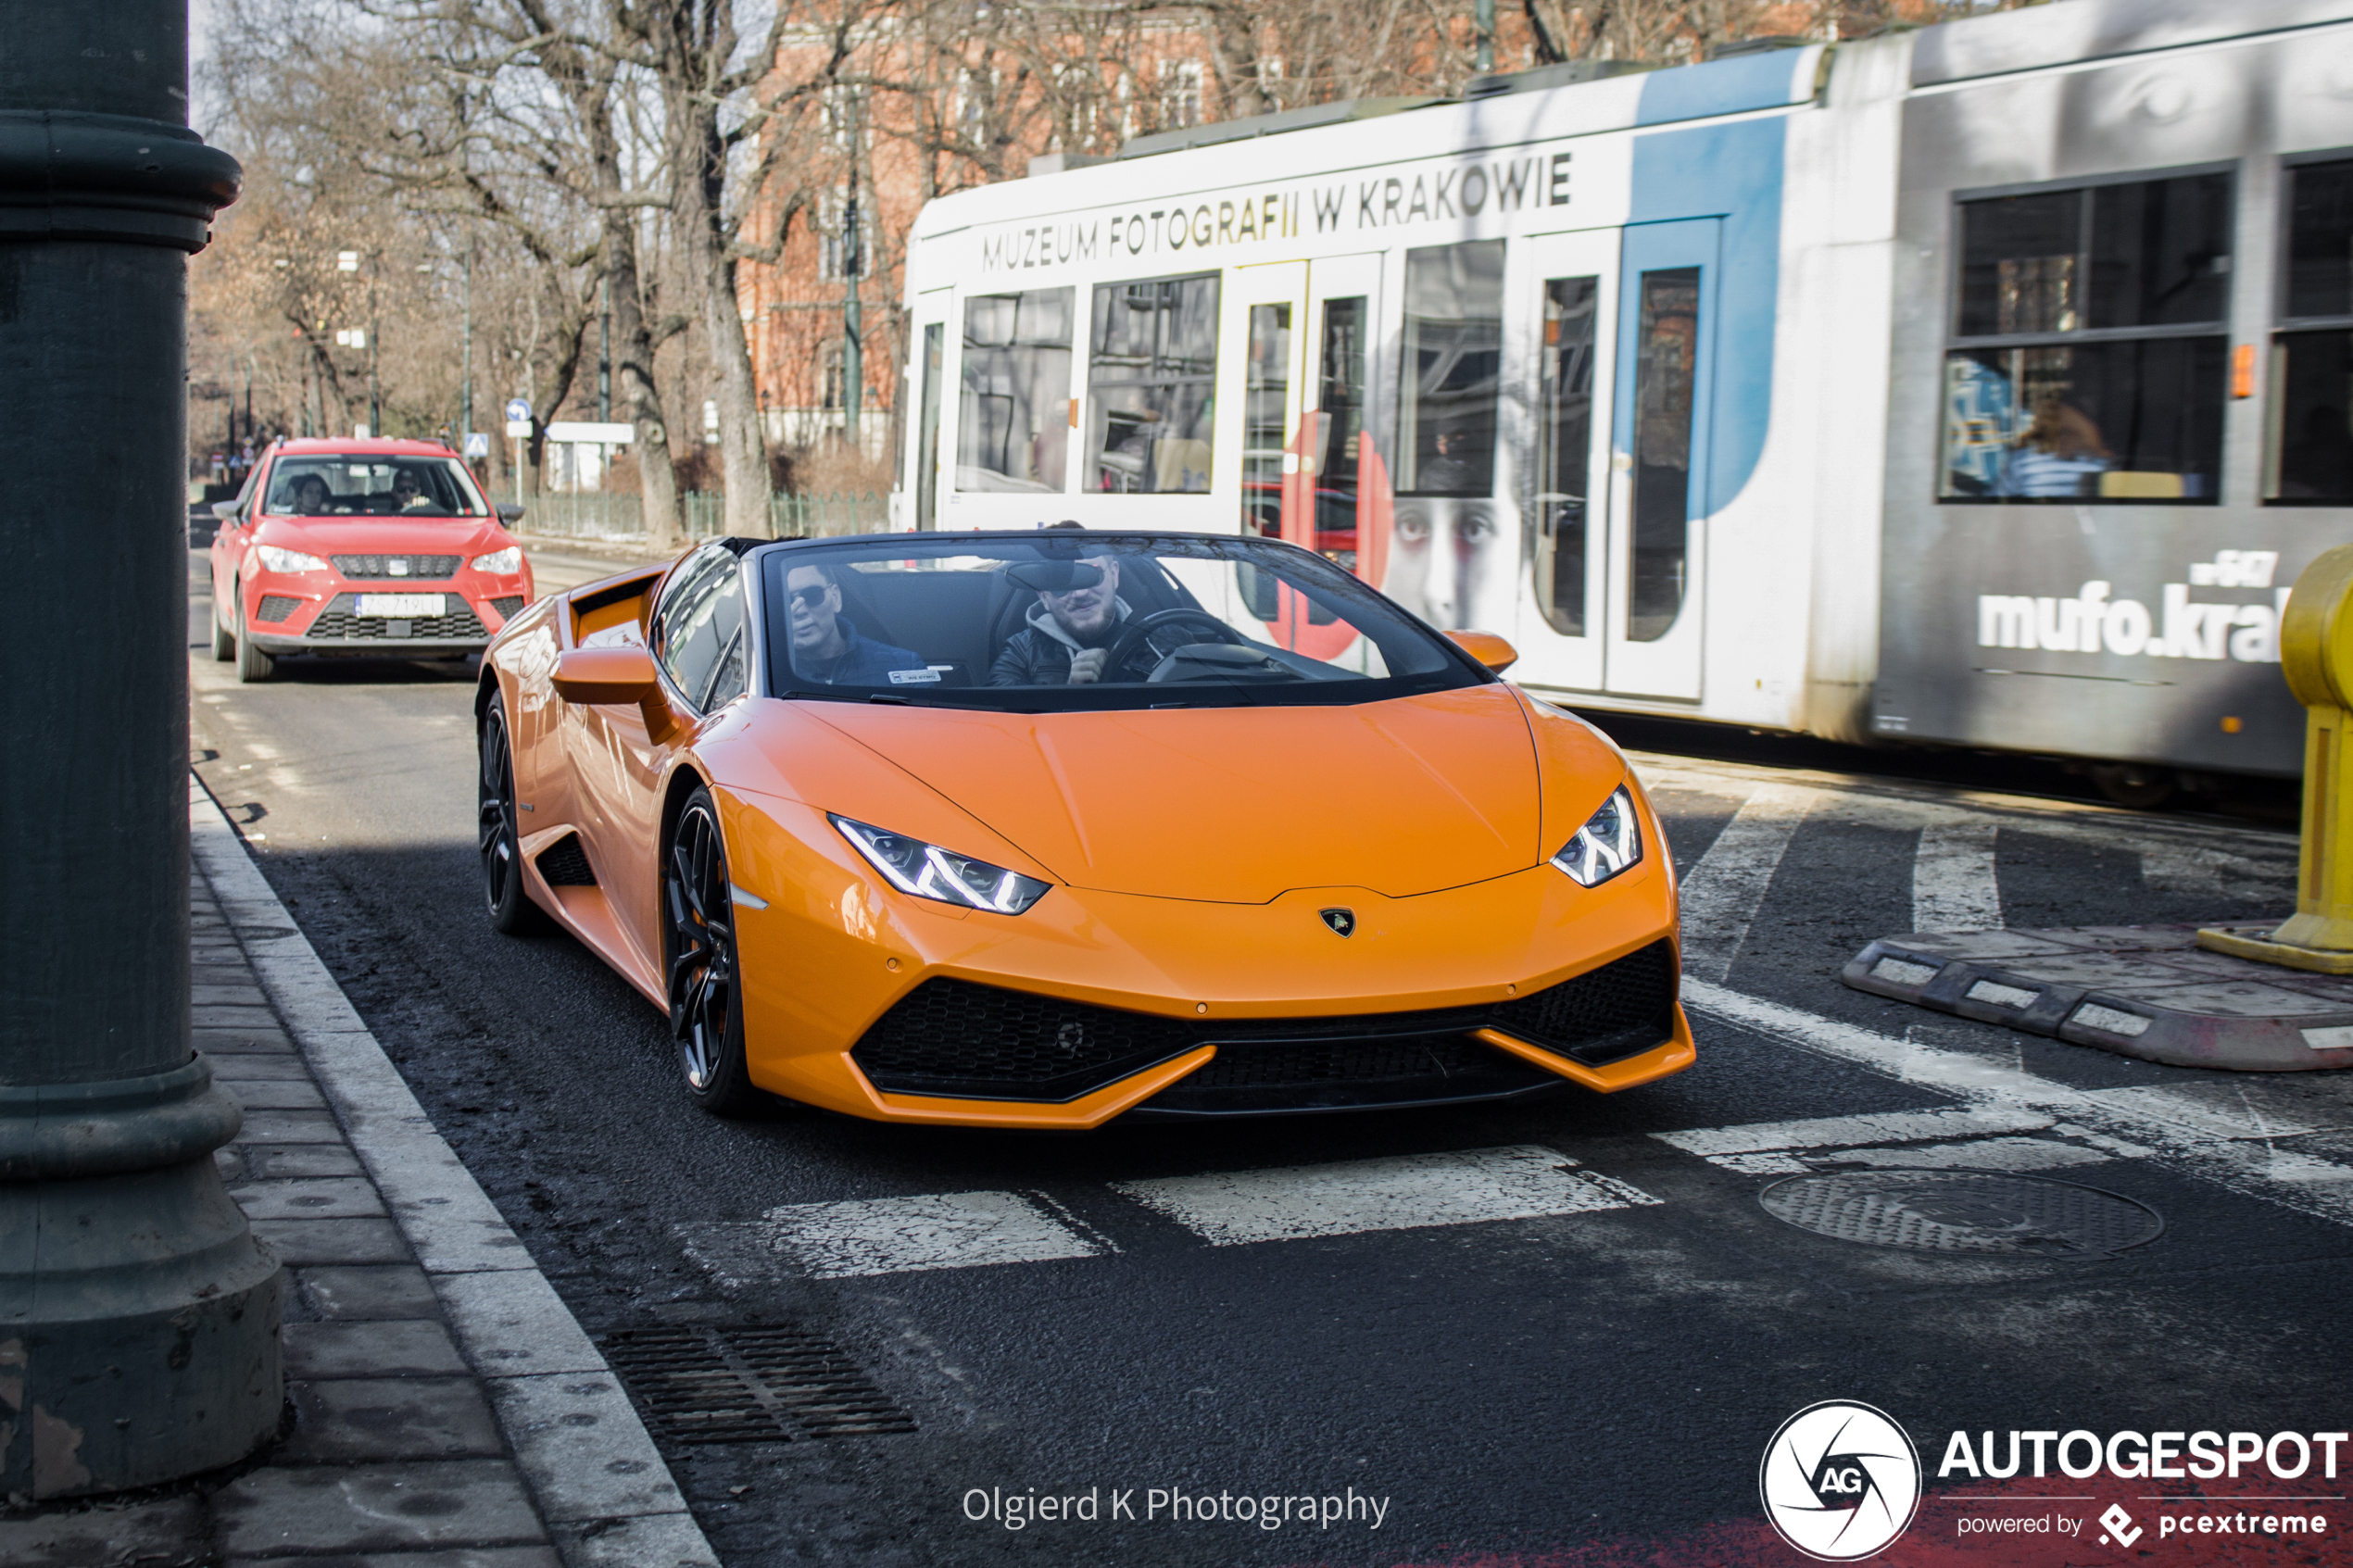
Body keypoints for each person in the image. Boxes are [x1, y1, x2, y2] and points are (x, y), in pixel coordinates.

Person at [989, 551, 1143, 685]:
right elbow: (996, 709)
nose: (1080, 593)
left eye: (1091, 574)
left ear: (1114, 575)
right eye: (1062, 580)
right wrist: (1068, 692)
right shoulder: (1021, 651)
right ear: (1043, 597)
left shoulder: (1157, 641)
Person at [783, 562, 929, 685]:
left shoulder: (904, 667)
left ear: (835, 597)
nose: (800, 610)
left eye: (813, 595)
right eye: (785, 600)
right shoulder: (763, 675)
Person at [1996, 396, 2111, 498]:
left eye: (2069, 433)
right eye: (2056, 433)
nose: (2062, 440)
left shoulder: (2098, 463)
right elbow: (1998, 504)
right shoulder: (2021, 461)